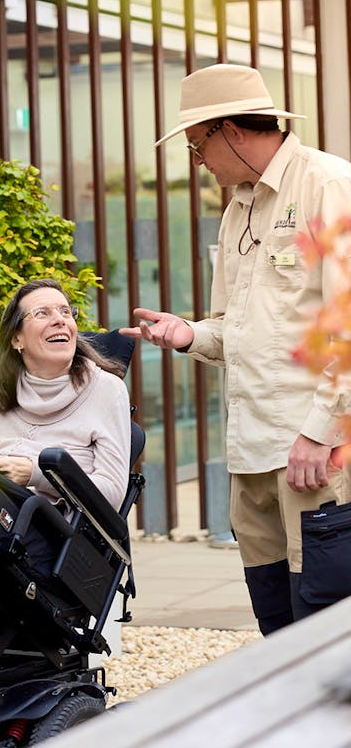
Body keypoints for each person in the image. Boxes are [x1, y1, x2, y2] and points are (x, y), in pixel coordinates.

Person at [120, 63, 351, 635]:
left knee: (324, 628)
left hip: (313, 452)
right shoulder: (238, 209)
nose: (198, 162)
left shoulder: (328, 185)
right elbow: (236, 327)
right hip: (250, 452)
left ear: (232, 130)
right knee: (275, 621)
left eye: (199, 146)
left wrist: (320, 432)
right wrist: (188, 334)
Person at [0, 278, 131, 513]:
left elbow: (112, 494)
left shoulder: (107, 390)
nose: (60, 320)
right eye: (42, 313)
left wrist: (34, 473)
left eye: (66, 311)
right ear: (16, 339)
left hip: (46, 528)